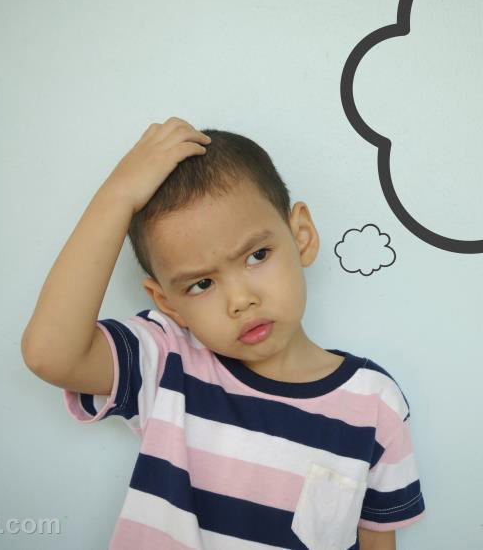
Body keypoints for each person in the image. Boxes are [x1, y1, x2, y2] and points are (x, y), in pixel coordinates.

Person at [21, 117, 425, 549]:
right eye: (201, 284)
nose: (240, 300)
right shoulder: (167, 364)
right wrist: (117, 195)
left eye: (257, 255)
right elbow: (50, 353)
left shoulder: (374, 404)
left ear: (302, 237)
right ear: (168, 303)